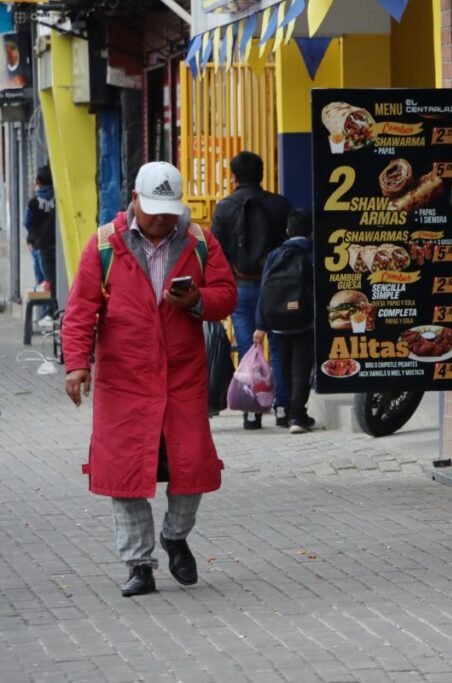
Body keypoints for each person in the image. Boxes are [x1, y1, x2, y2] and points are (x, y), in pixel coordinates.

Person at [61, 162, 237, 597]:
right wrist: (77, 364)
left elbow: (226, 294)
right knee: (125, 472)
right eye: (154, 209)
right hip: (124, 378)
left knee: (191, 462)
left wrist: (196, 299)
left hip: (182, 374)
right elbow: (82, 309)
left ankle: (175, 536)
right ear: (135, 200)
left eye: (169, 211)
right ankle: (138, 564)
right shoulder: (104, 243)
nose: (162, 219)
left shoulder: (199, 241)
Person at [211, 151, 292, 430]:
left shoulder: (223, 207)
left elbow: (216, 252)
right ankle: (283, 409)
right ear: (262, 174)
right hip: (278, 289)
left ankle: (253, 411)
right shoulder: (280, 205)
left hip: (241, 287)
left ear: (233, 177)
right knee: (280, 345)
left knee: (248, 348)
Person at [253, 210, 316, 434]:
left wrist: (260, 325)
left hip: (277, 322)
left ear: (287, 231)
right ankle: (298, 416)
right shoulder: (312, 254)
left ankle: (285, 411)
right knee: (301, 368)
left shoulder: (274, 255)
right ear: (312, 232)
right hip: (304, 322)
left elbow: (264, 289)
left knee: (284, 367)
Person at [24, 165, 56, 310]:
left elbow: (27, 222)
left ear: (38, 182)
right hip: (56, 245)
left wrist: (32, 238)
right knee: (54, 278)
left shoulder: (33, 202)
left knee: (43, 281)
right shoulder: (58, 198)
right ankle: (56, 309)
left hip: (39, 246)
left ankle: (47, 313)